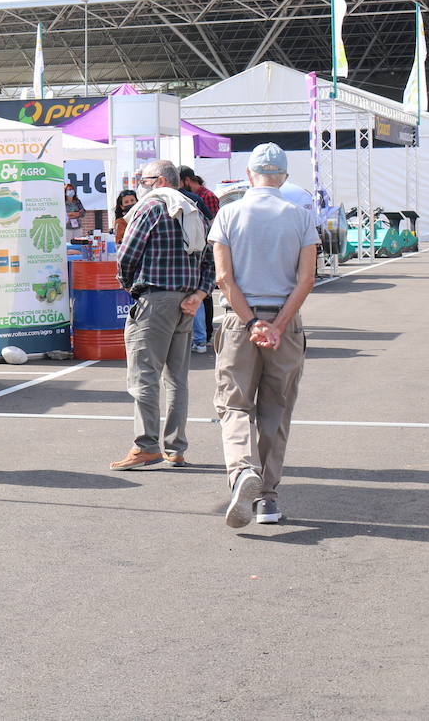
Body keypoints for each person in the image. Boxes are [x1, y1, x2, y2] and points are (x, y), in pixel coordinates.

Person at [209, 144, 318, 528]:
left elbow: (224, 278)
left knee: (234, 405)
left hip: (240, 322)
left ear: (249, 175)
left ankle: (242, 472)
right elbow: (307, 279)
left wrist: (252, 321)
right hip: (285, 326)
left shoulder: (228, 214)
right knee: (276, 408)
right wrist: (277, 324)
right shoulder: (300, 217)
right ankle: (267, 500)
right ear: (283, 177)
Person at [110, 160, 215, 471]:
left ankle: (146, 445)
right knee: (177, 379)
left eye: (144, 180)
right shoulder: (194, 209)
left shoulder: (151, 207)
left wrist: (129, 286)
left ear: (158, 181)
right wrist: (199, 294)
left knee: (144, 376)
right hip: (187, 301)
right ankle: (175, 447)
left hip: (155, 298)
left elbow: (127, 253)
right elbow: (211, 259)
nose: (141, 185)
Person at [180, 167, 219, 354]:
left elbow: (213, 221)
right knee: (198, 297)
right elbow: (210, 222)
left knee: (196, 298)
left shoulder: (201, 197)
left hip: (192, 253)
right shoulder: (196, 198)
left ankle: (200, 338)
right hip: (199, 251)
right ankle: (201, 339)